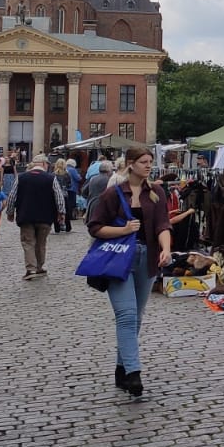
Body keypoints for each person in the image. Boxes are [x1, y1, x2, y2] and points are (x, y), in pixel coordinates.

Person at [85, 148, 174, 398]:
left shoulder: (156, 192)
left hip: (147, 259)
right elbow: (95, 227)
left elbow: (162, 224)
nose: (149, 166)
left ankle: (121, 368)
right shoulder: (113, 193)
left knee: (136, 317)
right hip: (119, 260)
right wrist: (123, 230)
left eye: (150, 162)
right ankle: (134, 372)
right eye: (144, 162)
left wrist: (166, 249)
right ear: (131, 164)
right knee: (126, 314)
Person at [5, 154, 65, 280]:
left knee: (28, 243)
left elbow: (11, 196)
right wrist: (61, 213)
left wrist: (10, 212)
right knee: (41, 243)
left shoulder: (21, 178)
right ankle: (39, 267)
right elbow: (59, 197)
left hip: (26, 215)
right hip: (46, 216)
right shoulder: (50, 178)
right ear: (44, 164)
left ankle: (30, 269)